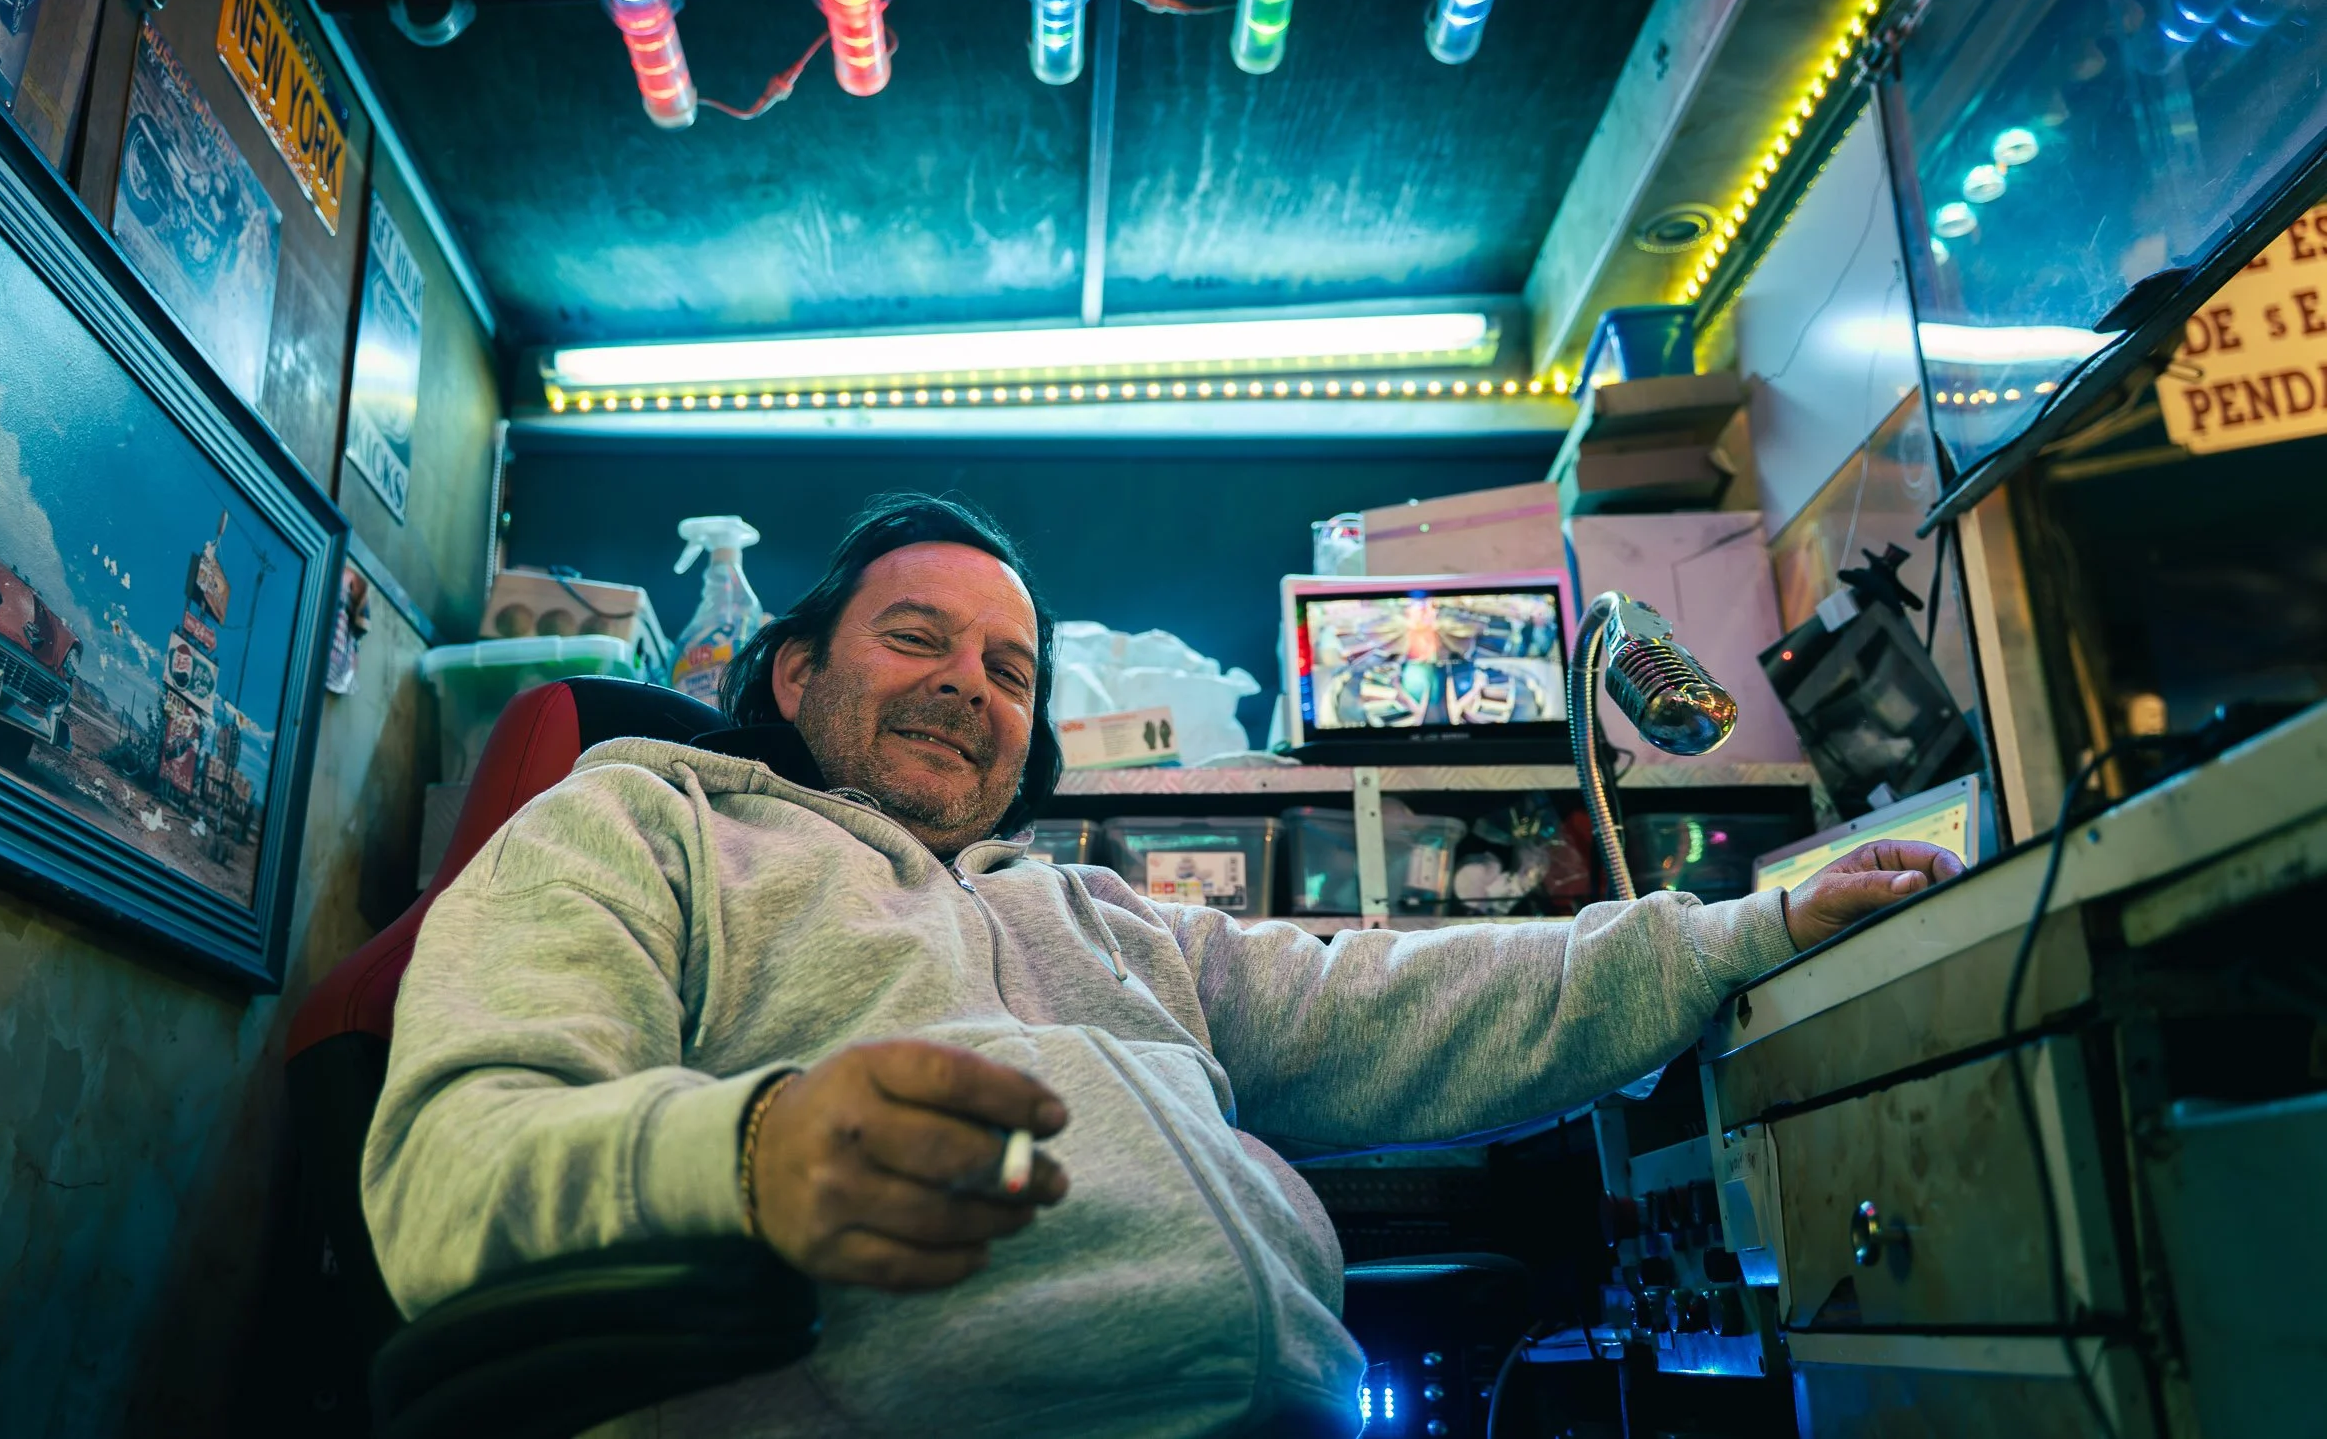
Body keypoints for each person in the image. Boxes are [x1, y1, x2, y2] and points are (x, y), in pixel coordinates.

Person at [364, 492, 1961, 1438]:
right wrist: (752, 1148)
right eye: (916, 639)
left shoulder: (1100, 916)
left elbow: (1387, 1002)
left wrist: (1743, 930)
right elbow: (452, 1161)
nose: (968, 688)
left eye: (1008, 669)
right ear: (790, 670)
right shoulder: (643, 826)